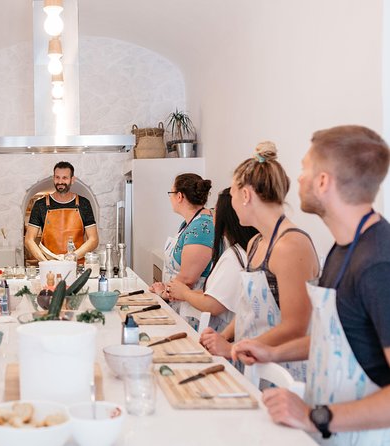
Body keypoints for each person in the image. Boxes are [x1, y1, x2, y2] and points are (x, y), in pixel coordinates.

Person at [232, 126, 390, 443]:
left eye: (305, 168)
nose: (298, 179)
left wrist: (312, 415)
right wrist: (271, 353)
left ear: (323, 181)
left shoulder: (377, 264)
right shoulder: (343, 247)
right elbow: (333, 339)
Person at [221, 142, 319, 380]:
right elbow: (247, 308)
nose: (232, 204)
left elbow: (295, 326)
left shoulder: (290, 246)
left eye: (233, 194)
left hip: (285, 375)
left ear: (246, 195)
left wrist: (236, 349)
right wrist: (223, 337)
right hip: (254, 366)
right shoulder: (256, 242)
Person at [167, 188, 258, 334]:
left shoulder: (234, 257)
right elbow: (213, 294)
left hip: (222, 334)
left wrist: (184, 293)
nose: (211, 214)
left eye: (215, 210)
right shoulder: (240, 251)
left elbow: (213, 304)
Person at [149, 173, 214, 327]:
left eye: (171, 193)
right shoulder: (189, 223)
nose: (170, 198)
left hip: (193, 312)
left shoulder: (201, 228)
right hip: (179, 303)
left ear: (179, 196)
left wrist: (164, 293)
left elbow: (188, 279)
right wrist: (164, 287)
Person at [25, 161, 99, 263]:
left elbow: (94, 239)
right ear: (53, 178)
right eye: (57, 177)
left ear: (72, 180)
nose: (60, 182)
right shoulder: (40, 205)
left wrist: (72, 256)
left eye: (65, 178)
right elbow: (29, 240)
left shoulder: (84, 203)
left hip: (77, 265)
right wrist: (45, 262)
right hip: (50, 266)